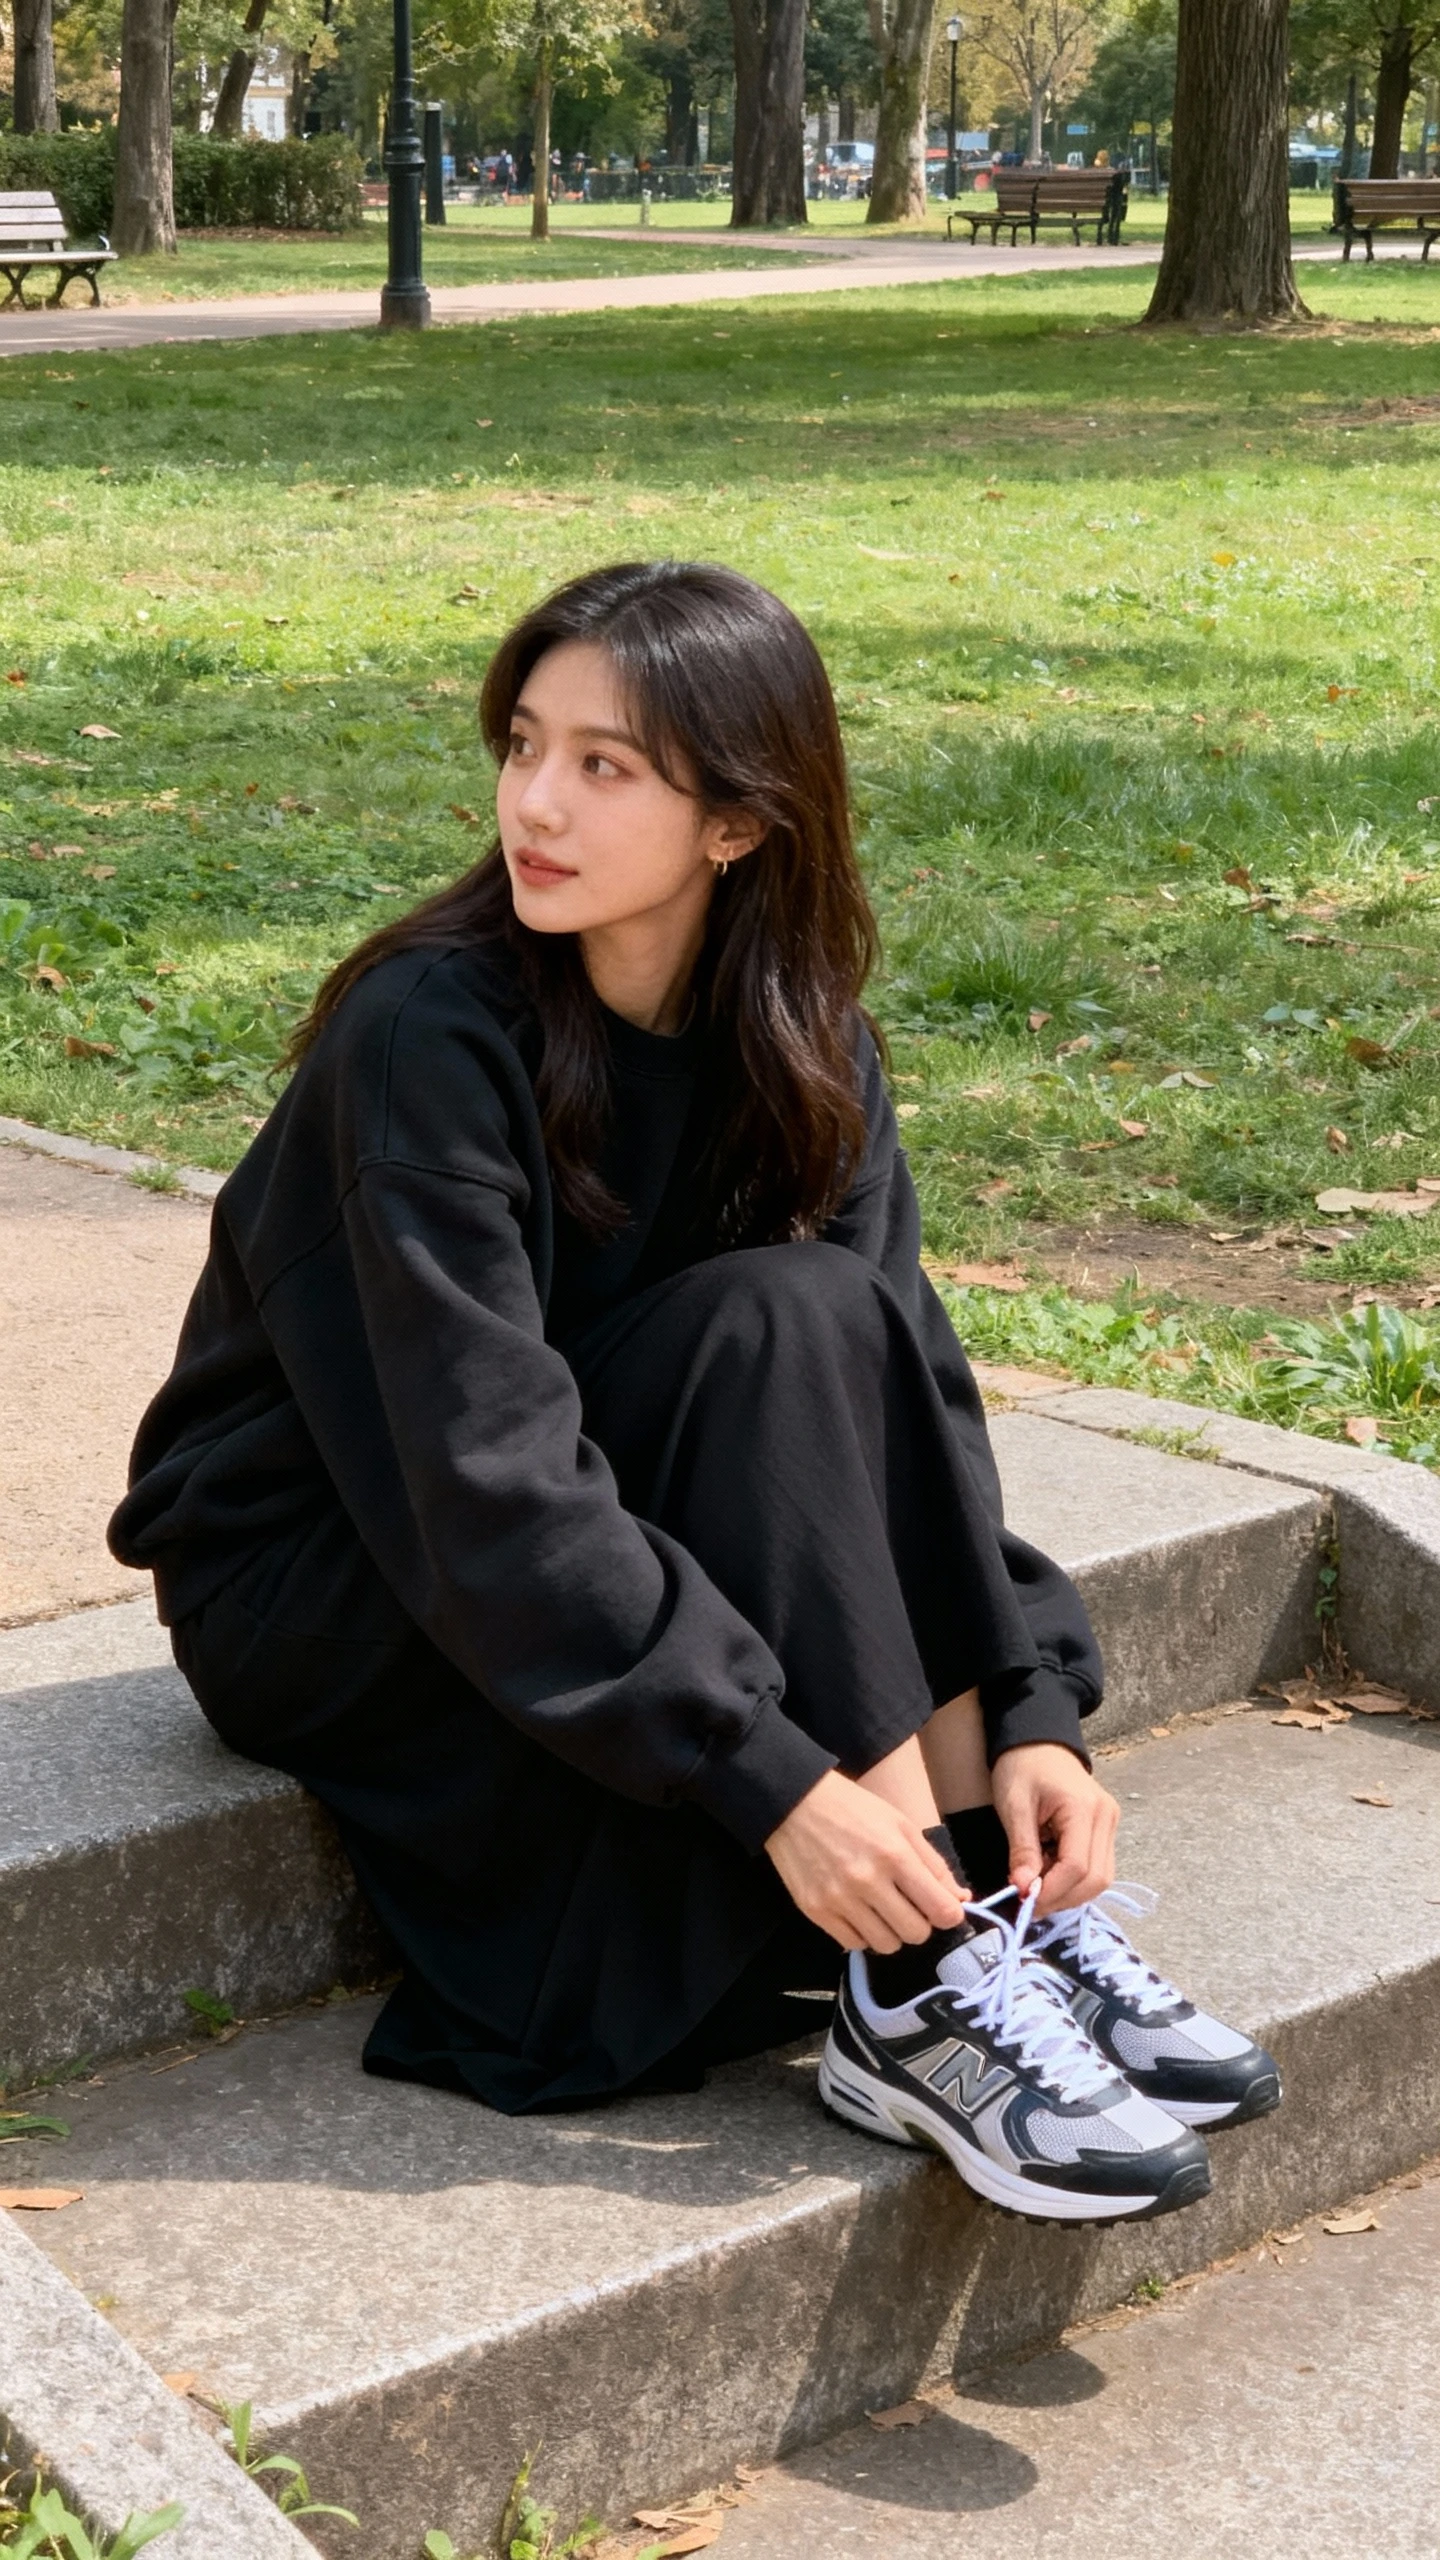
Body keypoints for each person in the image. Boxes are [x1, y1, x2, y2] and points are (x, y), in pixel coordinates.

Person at [109, 563, 1279, 2225]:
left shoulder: (802, 1033)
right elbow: (482, 1472)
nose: (535, 803)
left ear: (739, 822)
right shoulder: (426, 1032)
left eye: (606, 766)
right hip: (329, 1568)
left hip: (594, 1499)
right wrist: (770, 1781)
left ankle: (983, 1897)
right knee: (784, 1313)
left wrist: (1024, 1713)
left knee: (810, 1310)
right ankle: (921, 1972)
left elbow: (904, 1396)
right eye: (525, 744)